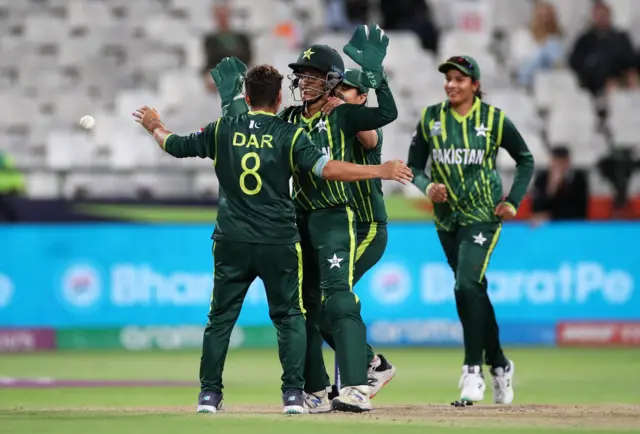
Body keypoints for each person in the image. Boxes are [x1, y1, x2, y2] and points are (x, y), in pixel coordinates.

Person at [132, 62, 412, 415]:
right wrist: (379, 171)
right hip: (280, 238)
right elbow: (327, 168)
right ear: (279, 98)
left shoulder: (224, 128)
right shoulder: (288, 132)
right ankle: (295, 395)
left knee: (220, 319)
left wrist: (153, 124)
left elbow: (172, 143)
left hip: (232, 238)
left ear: (247, 96)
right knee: (292, 317)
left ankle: (209, 396)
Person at [215, 23, 398, 413]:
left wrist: (376, 76)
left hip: (335, 217)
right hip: (298, 220)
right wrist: (232, 99)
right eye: (302, 76)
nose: (307, 82)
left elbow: (386, 113)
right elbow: (251, 131)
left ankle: (354, 387)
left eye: (315, 77)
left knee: (338, 298)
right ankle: (316, 390)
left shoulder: (344, 116)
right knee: (303, 307)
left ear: (333, 82)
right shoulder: (289, 119)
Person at [406, 55, 535, 405]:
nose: (452, 84)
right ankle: (500, 364)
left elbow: (525, 159)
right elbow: (414, 166)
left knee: (465, 285)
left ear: (475, 85)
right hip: (447, 218)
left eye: (460, 79)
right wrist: (426, 186)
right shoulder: (431, 118)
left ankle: (472, 371)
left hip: (483, 214)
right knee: (472, 290)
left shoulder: (493, 119)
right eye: (448, 78)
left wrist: (513, 201)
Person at [319, 68, 396, 398]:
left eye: (347, 90)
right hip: (339, 230)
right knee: (320, 306)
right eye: (336, 89)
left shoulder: (365, 128)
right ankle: (369, 364)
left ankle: (369, 369)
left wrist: (340, 108)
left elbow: (369, 137)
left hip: (367, 228)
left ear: (362, 98)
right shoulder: (328, 129)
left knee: (333, 299)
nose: (338, 93)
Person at [569, 1, 638, 96]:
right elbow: (575, 61)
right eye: (599, 15)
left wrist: (628, 75)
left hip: (620, 85)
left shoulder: (621, 37)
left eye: (605, 15)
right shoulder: (585, 39)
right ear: (594, 16)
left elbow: (632, 60)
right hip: (592, 88)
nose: (602, 18)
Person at [201, 1, 252, 93]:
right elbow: (208, 63)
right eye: (219, 16)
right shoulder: (210, 40)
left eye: (224, 15)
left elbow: (249, 60)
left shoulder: (242, 38)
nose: (222, 19)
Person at [531, 146, 589, 224]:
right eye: (557, 162)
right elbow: (536, 209)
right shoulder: (542, 178)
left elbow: (581, 211)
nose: (560, 167)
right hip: (546, 226)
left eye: (562, 163)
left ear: (568, 163)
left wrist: (551, 216)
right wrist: (551, 188)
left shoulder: (578, 179)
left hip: (571, 225)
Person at [515, 0, 563, 89]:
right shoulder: (523, 35)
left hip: (554, 84)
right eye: (541, 16)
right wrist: (541, 54)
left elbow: (561, 64)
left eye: (548, 17)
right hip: (528, 85)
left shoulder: (559, 37)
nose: (544, 20)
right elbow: (521, 62)